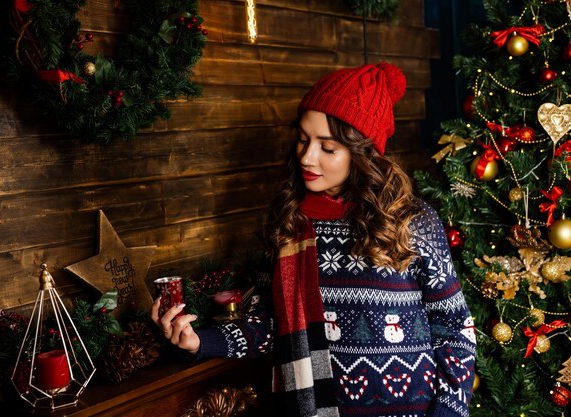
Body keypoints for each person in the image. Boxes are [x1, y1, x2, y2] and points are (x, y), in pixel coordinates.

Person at [151, 62, 477, 417]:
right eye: (303, 140)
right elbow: (270, 324)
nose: (307, 157)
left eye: (328, 147)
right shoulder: (290, 223)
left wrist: (448, 411)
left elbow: (455, 330)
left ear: (362, 153)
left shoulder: (411, 221)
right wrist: (200, 342)